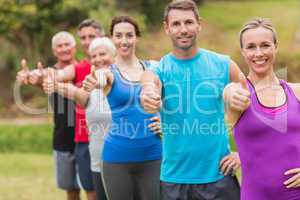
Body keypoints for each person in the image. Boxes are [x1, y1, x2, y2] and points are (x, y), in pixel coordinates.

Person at [140, 0, 241, 199]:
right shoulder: (160, 69)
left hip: (219, 178)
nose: (183, 29)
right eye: (176, 24)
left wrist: (243, 154)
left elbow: (255, 109)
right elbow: (149, 82)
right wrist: (148, 93)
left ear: (199, 24)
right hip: (174, 180)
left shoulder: (224, 65)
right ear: (166, 28)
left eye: (188, 22)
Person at [83, 16, 162, 200]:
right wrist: (95, 80)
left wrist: (164, 121)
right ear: (112, 38)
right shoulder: (109, 72)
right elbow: (102, 77)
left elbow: (171, 102)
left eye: (129, 35)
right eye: (118, 35)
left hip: (154, 155)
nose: (124, 41)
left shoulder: (154, 67)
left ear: (137, 38)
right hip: (117, 158)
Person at [223, 18, 300, 200]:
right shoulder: (236, 90)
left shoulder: (296, 91)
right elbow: (229, 98)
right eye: (251, 47)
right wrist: (234, 102)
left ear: (275, 47)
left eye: (265, 45)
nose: (259, 53)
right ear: (243, 51)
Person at [31, 19, 104, 200]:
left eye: (92, 37)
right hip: (77, 139)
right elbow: (55, 76)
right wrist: (38, 76)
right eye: (84, 38)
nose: (87, 41)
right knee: (83, 189)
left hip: (106, 137)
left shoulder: (110, 65)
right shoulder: (78, 68)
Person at [16, 31, 81, 200]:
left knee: (91, 187)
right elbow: (39, 76)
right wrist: (29, 76)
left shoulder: (85, 68)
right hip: (62, 137)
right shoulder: (50, 72)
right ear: (54, 51)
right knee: (71, 189)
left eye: (67, 44)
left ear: (75, 48)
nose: (64, 48)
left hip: (86, 136)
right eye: (59, 46)